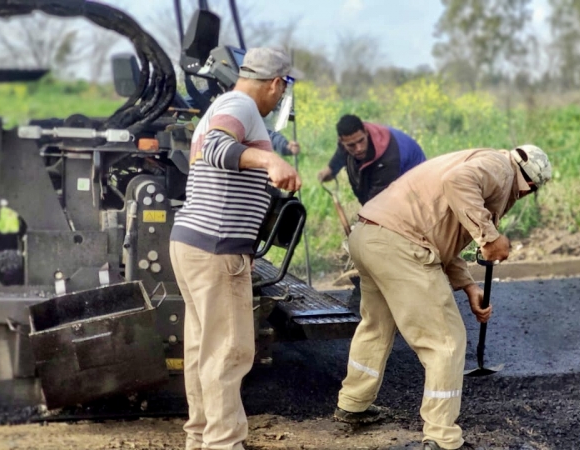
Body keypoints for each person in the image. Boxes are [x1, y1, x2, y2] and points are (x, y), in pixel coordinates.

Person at [332, 145, 553, 450]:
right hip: (401, 245)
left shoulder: (479, 161)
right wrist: (490, 236)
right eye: (529, 192)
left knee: (377, 326)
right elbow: (457, 182)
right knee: (446, 341)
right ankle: (441, 438)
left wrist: (468, 286)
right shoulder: (500, 168)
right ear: (528, 184)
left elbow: (442, 236)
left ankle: (352, 404)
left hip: (370, 236)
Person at [169, 47, 302, 450]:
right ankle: (223, 444)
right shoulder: (240, 105)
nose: (279, 99)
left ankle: (201, 437)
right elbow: (216, 148)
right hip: (216, 247)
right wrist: (270, 163)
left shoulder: (220, 106)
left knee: (202, 349)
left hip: (192, 244)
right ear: (276, 83)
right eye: (282, 91)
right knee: (230, 351)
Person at [317, 114, 426, 205]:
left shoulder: (388, 157)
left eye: (361, 141)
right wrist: (331, 169)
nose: (358, 148)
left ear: (366, 132)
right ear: (341, 141)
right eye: (351, 145)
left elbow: (377, 203)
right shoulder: (349, 141)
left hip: (415, 186)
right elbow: (342, 152)